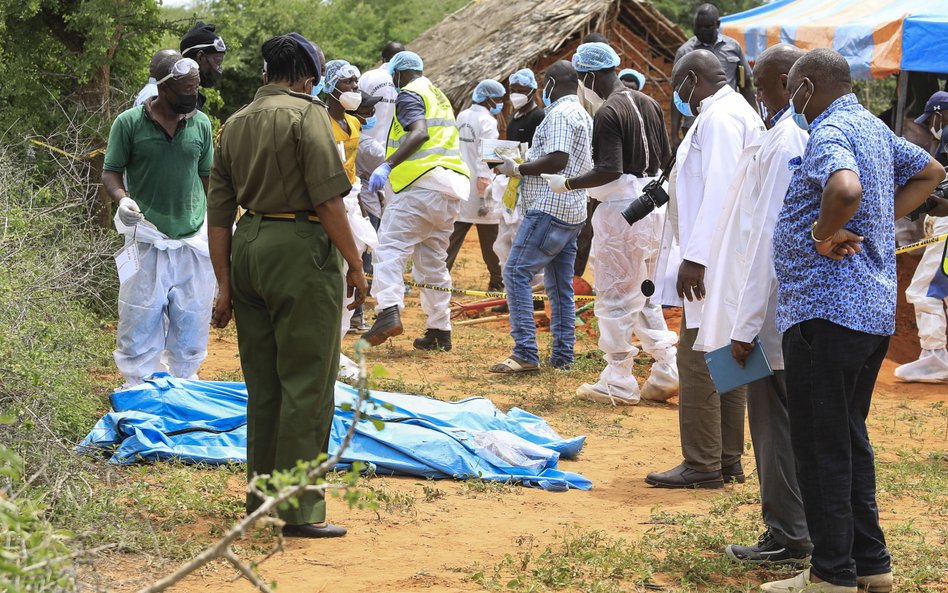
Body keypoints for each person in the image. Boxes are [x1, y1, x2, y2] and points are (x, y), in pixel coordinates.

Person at [761, 48, 944, 593]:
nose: (790, 97)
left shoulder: (831, 130)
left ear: (808, 86)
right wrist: (878, 222)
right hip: (868, 313)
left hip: (826, 312)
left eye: (793, 86)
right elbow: (931, 171)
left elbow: (843, 189)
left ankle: (831, 574)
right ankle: (870, 565)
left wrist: (823, 233)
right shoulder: (871, 125)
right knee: (847, 438)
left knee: (821, 446)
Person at [206, 33, 366, 539]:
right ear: (307, 75)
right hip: (300, 249)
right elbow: (329, 201)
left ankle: (260, 499)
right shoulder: (308, 115)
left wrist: (225, 287)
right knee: (308, 383)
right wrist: (356, 266)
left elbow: (217, 216)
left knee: (265, 384)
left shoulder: (233, 124)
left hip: (247, 245)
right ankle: (297, 509)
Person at [691, 44, 812, 566]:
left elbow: (766, 240)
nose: (758, 97)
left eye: (762, 86)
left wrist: (744, 323)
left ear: (786, 81)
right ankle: (787, 529)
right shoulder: (780, 132)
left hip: (767, 315)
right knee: (776, 426)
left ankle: (789, 536)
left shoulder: (787, 138)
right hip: (763, 308)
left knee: (775, 429)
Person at [645, 49, 764, 487]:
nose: (677, 94)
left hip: (714, 258)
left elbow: (720, 190)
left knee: (697, 358)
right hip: (729, 257)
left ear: (692, 79)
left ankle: (702, 463)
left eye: (678, 84)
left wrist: (696, 257)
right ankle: (727, 458)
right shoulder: (735, 113)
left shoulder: (719, 120)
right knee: (726, 353)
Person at [542, 42, 678, 404]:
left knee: (616, 295)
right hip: (653, 207)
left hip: (622, 213)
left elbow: (610, 169)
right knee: (644, 293)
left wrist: (568, 183)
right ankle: (667, 367)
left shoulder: (608, 112)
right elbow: (665, 160)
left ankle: (618, 379)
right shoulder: (647, 103)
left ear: (588, 75)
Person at [102, 51, 215, 388]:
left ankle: (184, 385)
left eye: (195, 89)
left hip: (193, 241)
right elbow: (111, 172)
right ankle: (138, 388)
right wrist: (123, 199)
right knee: (139, 318)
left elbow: (208, 178)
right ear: (162, 87)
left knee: (192, 320)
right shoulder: (129, 123)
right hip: (147, 239)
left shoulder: (201, 124)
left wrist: (220, 220)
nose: (191, 97)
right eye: (184, 91)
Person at [363, 51, 471, 351]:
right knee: (433, 262)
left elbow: (419, 133)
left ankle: (387, 311)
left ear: (398, 75)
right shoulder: (438, 95)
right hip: (449, 191)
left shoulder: (409, 95)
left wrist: (388, 164)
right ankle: (439, 330)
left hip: (419, 187)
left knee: (389, 248)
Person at [490, 61, 593, 373]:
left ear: (550, 84)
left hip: (550, 208)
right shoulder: (581, 113)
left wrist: (518, 168)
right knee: (560, 286)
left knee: (515, 273)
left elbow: (558, 160)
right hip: (572, 210)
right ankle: (562, 356)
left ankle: (525, 353)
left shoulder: (560, 114)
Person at [895, 91, 948, 382]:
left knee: (924, 290)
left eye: (934, 119)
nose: (933, 126)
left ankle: (934, 355)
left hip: (946, 226)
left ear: (940, 113)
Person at [445, 79, 505, 291]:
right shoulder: (488, 122)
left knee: (452, 236)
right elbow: (488, 159)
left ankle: (437, 280)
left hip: (460, 183)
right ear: (489, 99)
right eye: (498, 99)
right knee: (492, 240)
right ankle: (497, 283)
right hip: (482, 187)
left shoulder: (462, 116)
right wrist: (485, 190)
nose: (500, 103)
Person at [671, 3, 754, 147]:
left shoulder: (733, 47)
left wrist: (754, 117)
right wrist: (673, 135)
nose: (702, 30)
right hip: (695, 123)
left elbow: (745, 85)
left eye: (707, 26)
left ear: (717, 24)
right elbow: (676, 94)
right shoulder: (685, 52)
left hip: (729, 120)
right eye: (698, 26)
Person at [495, 68, 545, 273]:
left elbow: (540, 151)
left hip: (531, 185)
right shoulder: (514, 117)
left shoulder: (538, 116)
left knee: (527, 239)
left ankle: (533, 292)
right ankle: (510, 289)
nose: (515, 94)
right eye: (512, 89)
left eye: (521, 90)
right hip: (513, 184)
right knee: (506, 239)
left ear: (532, 91)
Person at [324, 59, 363, 184]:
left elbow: (351, 167)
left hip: (353, 191)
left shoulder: (354, 122)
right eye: (348, 81)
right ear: (330, 85)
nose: (355, 86)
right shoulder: (322, 123)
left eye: (356, 80)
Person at [358, 41, 404, 146]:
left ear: (382, 60)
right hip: (396, 150)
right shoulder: (408, 81)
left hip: (365, 145)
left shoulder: (367, 77)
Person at [180, 21, 227, 111]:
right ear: (200, 57)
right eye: (218, 62)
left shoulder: (193, 97)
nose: (219, 70)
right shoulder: (181, 101)